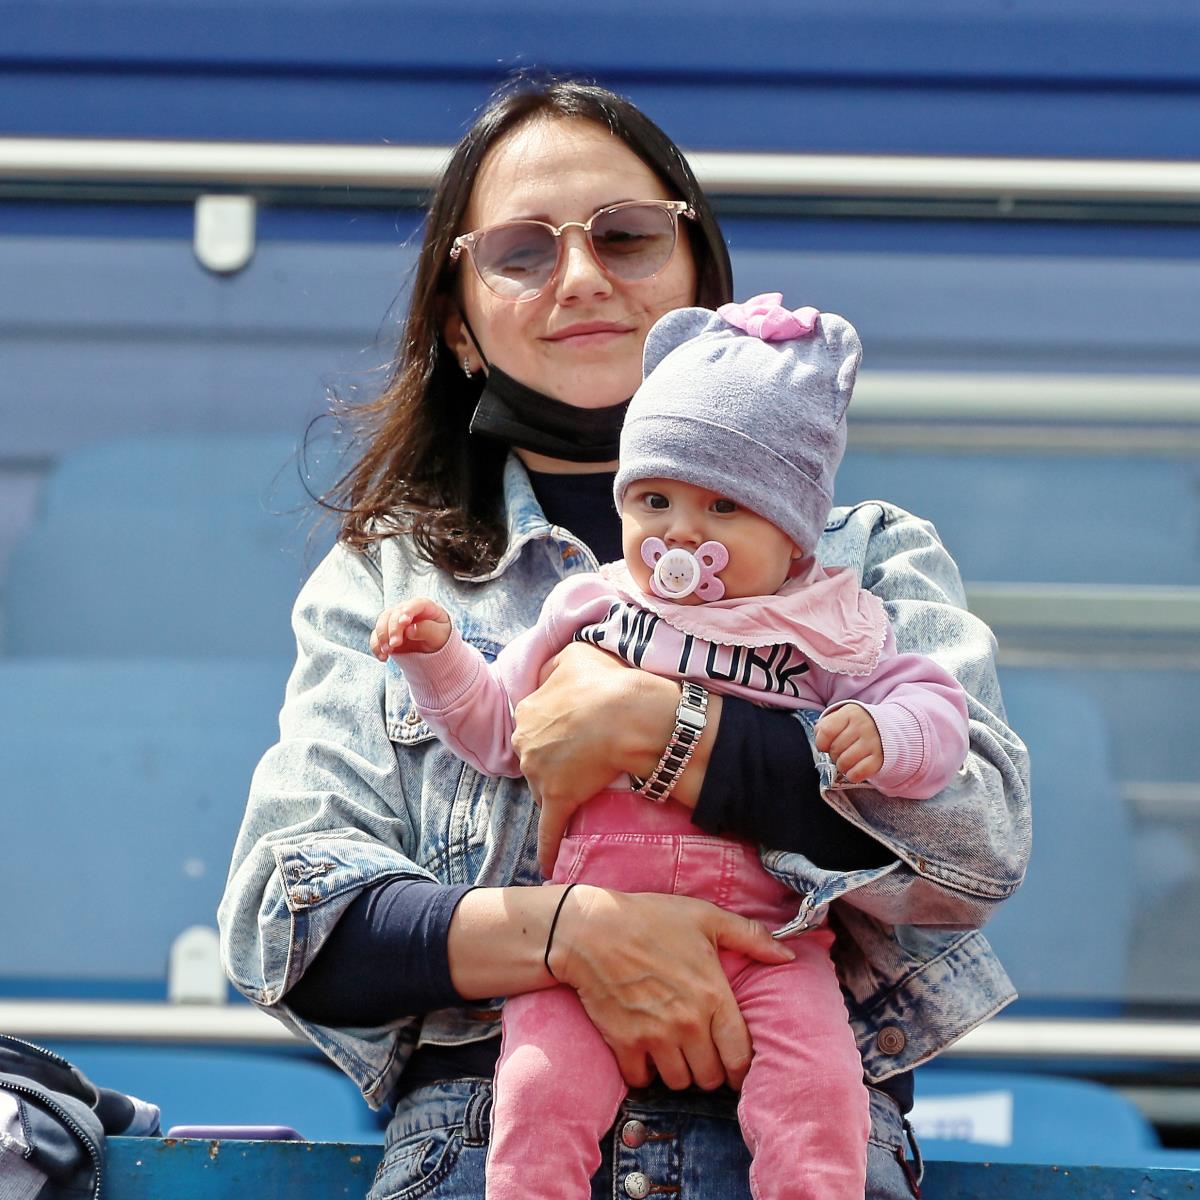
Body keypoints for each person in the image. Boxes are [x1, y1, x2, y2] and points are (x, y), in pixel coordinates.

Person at [218, 78, 1030, 1200]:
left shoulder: (867, 561)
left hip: (800, 1142)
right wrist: (578, 935)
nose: (582, 277)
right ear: (458, 325)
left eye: (627, 235)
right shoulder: (392, 578)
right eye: (521, 251)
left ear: (702, 279)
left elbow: (978, 843)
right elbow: (287, 920)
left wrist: (667, 728)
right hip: (486, 1139)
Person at [370, 296, 973, 1200]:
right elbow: (499, 731)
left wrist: (887, 735)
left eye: (723, 506)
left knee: (818, 1096)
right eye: (654, 500)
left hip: (772, 939)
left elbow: (937, 711)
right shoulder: (591, 608)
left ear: (793, 536)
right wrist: (437, 658)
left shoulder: (830, 623)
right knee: (535, 1092)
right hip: (589, 926)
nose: (681, 533)